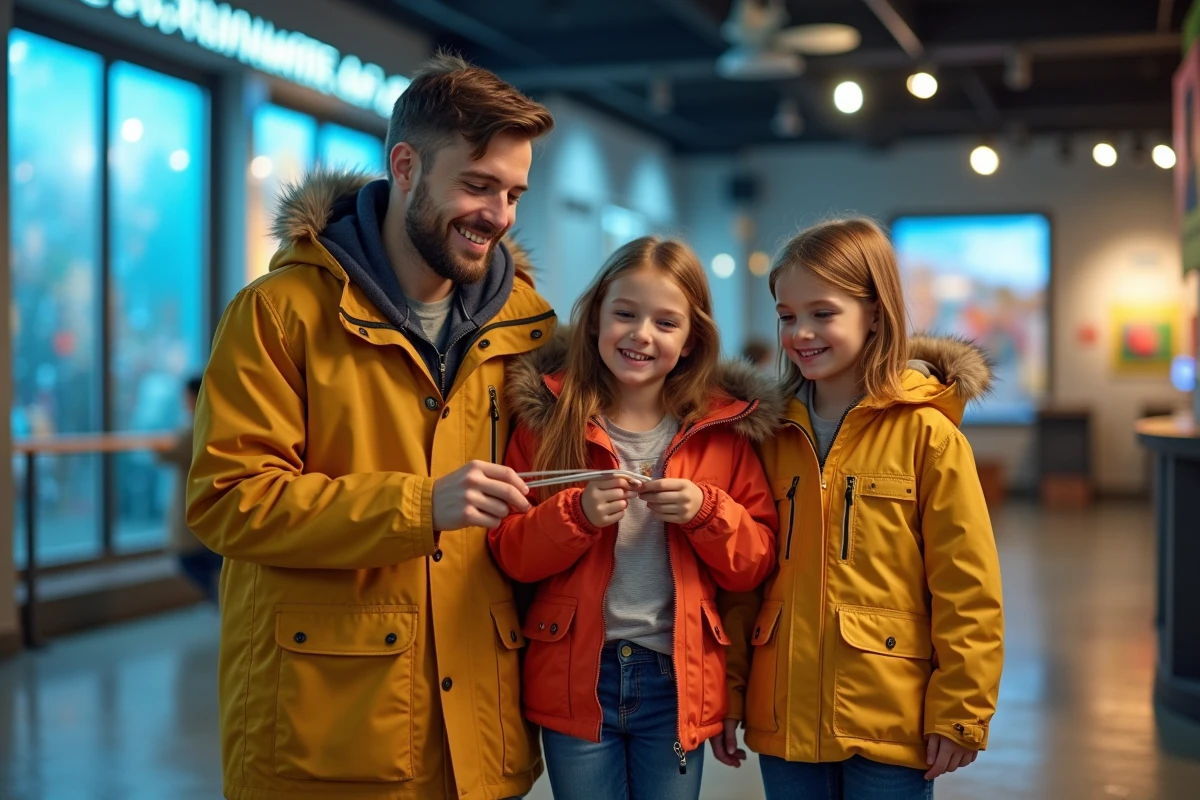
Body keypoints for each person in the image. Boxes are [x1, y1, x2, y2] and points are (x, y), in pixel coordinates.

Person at [187, 54, 555, 800]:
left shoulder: (529, 325)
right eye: (478, 185)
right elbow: (230, 499)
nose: (500, 215)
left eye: (514, 193)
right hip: (327, 733)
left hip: (477, 739)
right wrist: (420, 506)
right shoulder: (279, 314)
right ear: (407, 165)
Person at [718, 219, 1004, 800]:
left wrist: (962, 708)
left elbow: (967, 585)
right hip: (785, 714)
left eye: (823, 313)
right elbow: (743, 582)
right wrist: (729, 692)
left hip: (891, 718)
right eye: (786, 315)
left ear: (875, 312)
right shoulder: (766, 434)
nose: (801, 333)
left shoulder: (929, 435)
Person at [488, 236, 778, 800]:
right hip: (576, 673)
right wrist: (576, 514)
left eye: (666, 323)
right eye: (625, 313)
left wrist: (707, 512)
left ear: (692, 339)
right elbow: (510, 553)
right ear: (595, 317)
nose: (642, 334)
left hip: (678, 678)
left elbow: (754, 565)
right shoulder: (547, 422)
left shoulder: (724, 432)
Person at [156, 376, 220, 604]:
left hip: (198, 507)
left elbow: (170, 453)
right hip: (212, 507)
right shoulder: (213, 423)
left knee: (192, 558)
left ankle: (218, 599)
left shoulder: (196, 428)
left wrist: (158, 446)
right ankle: (218, 600)